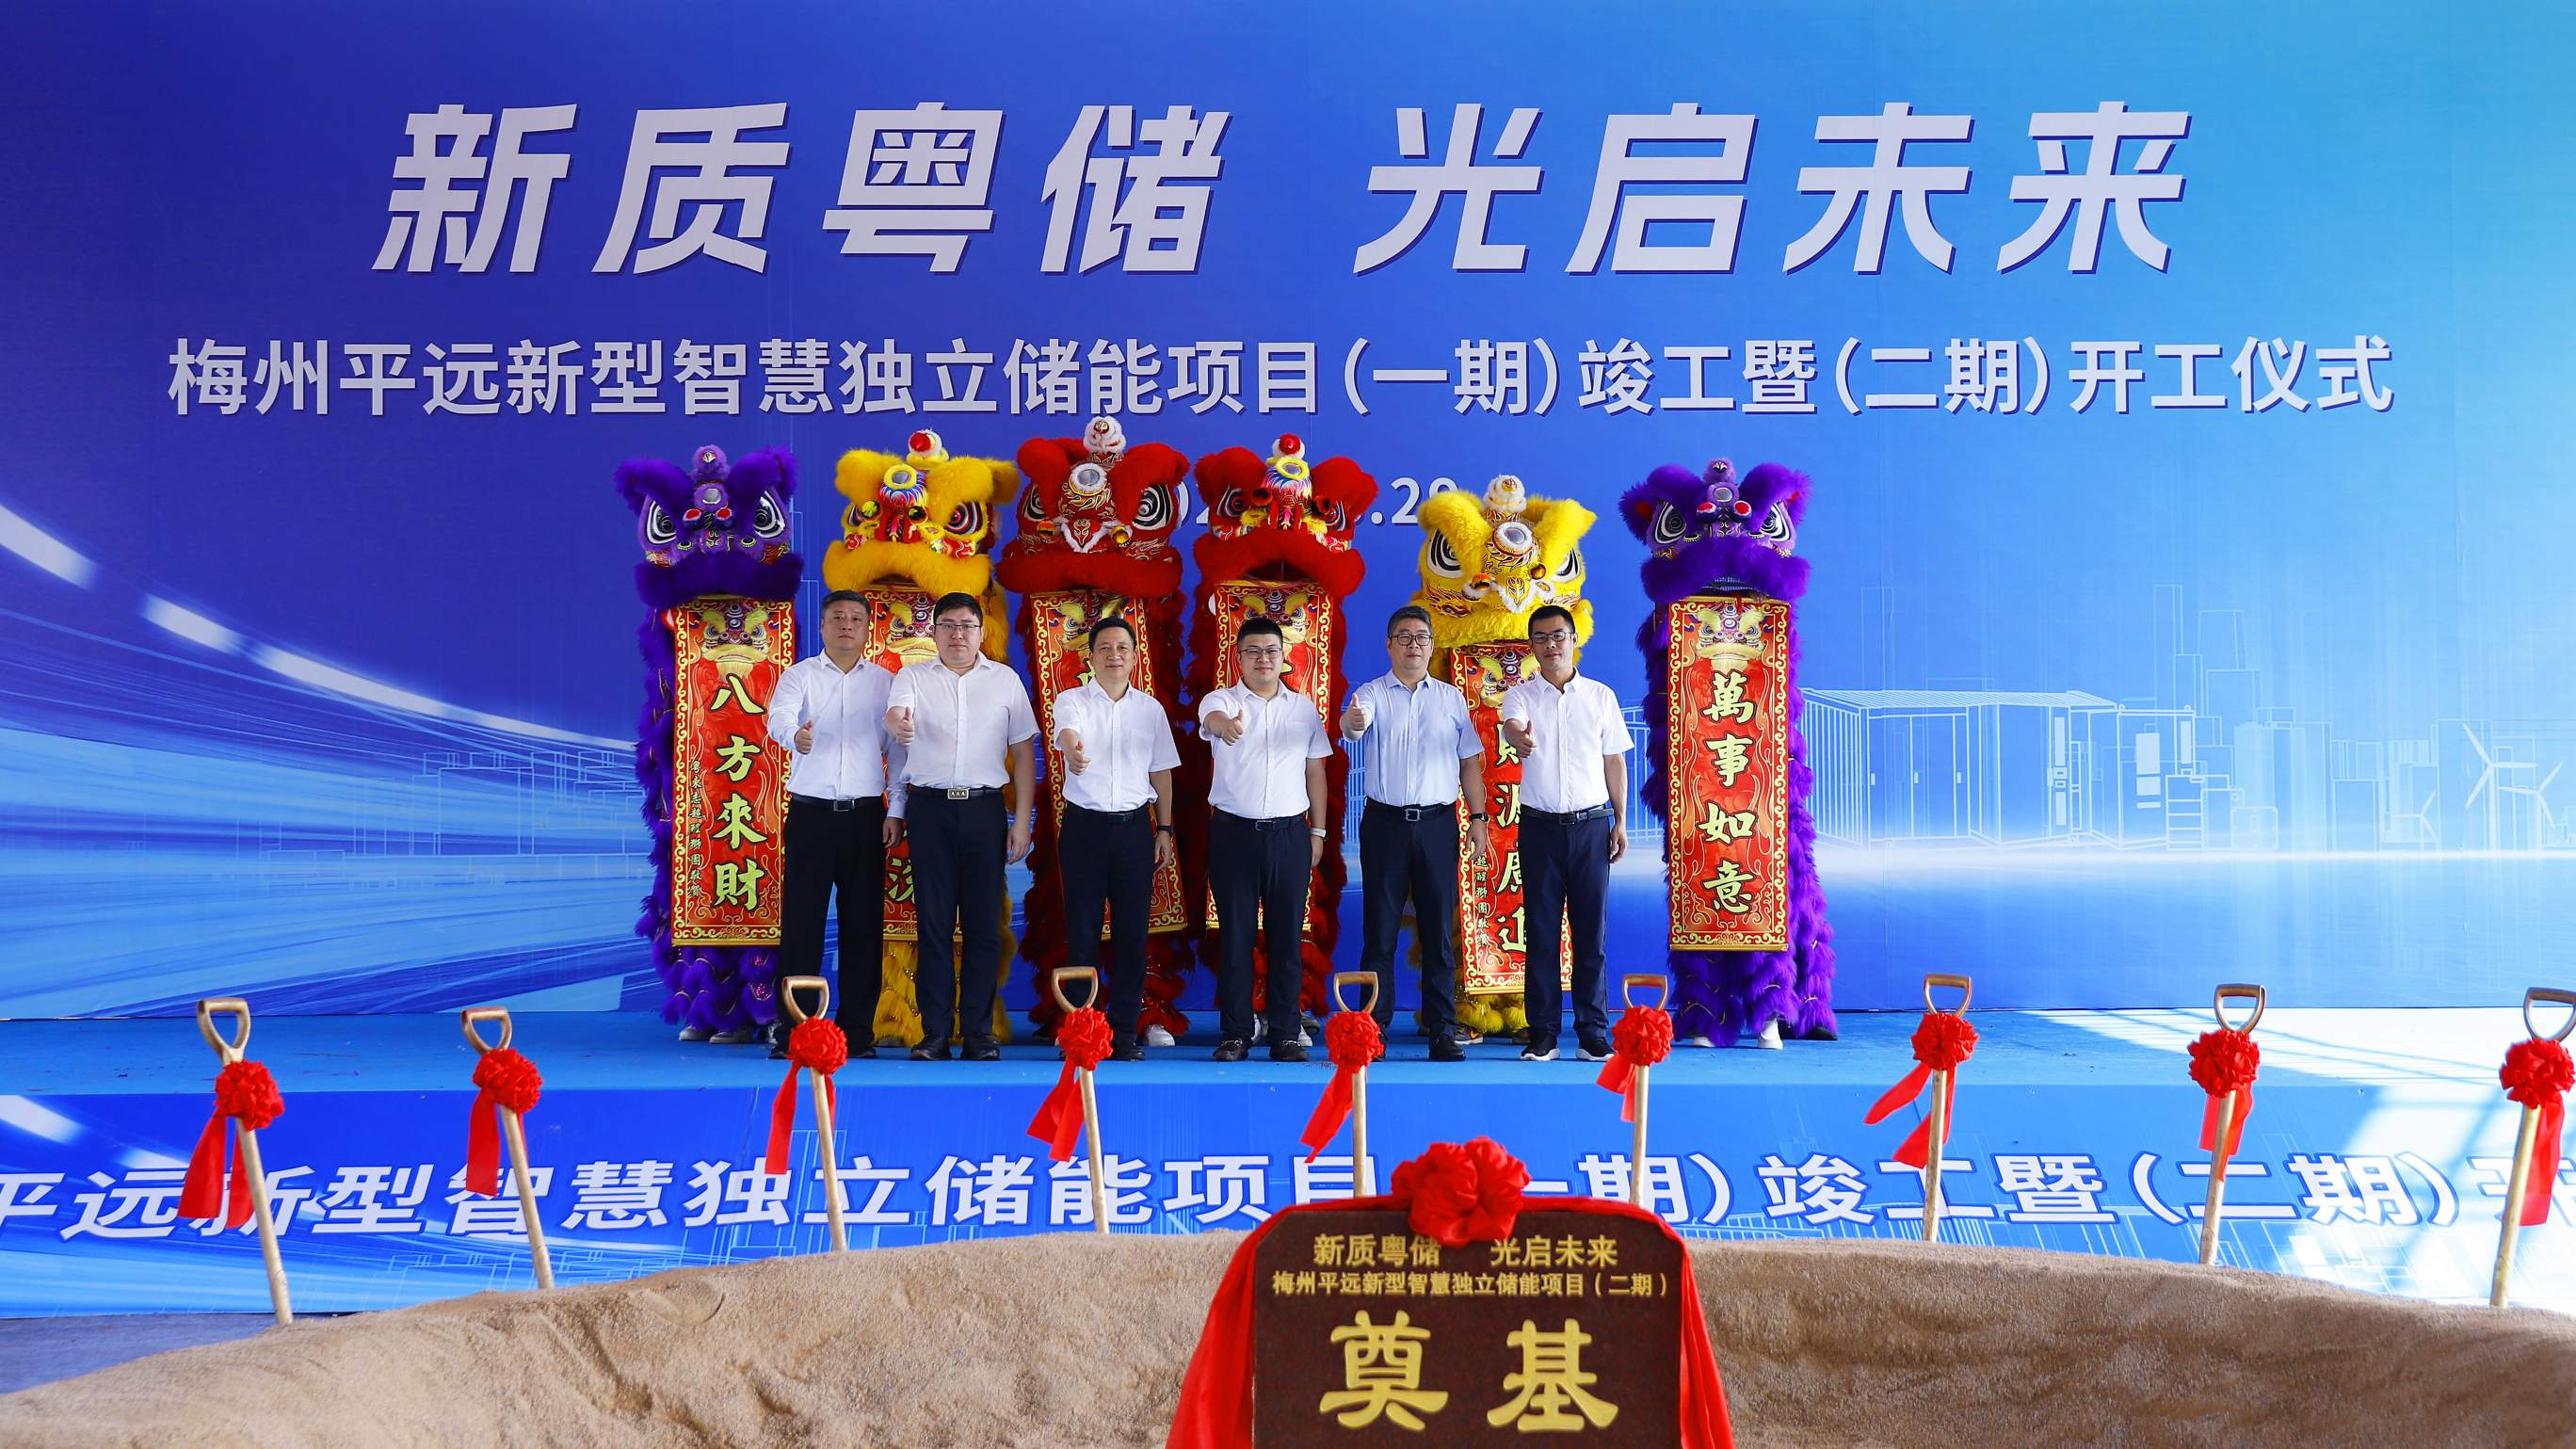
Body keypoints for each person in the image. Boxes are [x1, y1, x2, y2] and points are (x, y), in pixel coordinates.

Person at [885, 592, 1036, 1061]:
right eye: (948, 625)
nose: (958, 635)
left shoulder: (1005, 681)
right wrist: (898, 724)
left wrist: (1022, 821)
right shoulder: (912, 677)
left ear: (981, 632)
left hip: (984, 812)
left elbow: (1024, 754)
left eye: (967, 626)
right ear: (933, 632)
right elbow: (895, 716)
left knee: (983, 926)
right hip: (929, 812)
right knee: (932, 925)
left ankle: (977, 1033)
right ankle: (934, 1034)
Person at [1340, 604, 1489, 1062]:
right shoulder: (1371, 693)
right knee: (1379, 931)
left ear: (1431, 645)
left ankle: (1442, 1030)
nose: (1413, 645)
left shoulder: (1450, 698)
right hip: (1384, 824)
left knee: (1438, 930)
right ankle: (1373, 1030)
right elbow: (1352, 726)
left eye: (1421, 637)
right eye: (1403, 637)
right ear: (1389, 645)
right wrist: (1352, 722)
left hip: (1437, 825)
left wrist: (1478, 818)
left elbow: (1469, 762)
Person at [765, 589, 907, 1058]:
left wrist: (896, 809)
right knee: (802, 925)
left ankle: (858, 1033)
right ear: (823, 625)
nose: (847, 625)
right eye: (838, 618)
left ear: (868, 628)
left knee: (863, 927)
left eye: (856, 619)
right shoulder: (800, 676)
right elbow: (779, 718)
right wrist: (795, 737)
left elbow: (897, 754)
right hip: (811, 815)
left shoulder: (886, 683)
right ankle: (795, 1031)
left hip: (866, 818)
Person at [1498, 604, 1631, 1063]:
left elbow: (1614, 761)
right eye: (1540, 638)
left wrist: (1620, 820)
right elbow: (1512, 728)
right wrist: (1519, 738)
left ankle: (1593, 1032)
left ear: (1574, 640)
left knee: (1591, 933)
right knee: (1541, 932)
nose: (1550, 645)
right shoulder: (1520, 696)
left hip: (1592, 826)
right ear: (1531, 646)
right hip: (1540, 828)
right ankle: (1544, 1034)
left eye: (1558, 636)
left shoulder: (1600, 696)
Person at [1197, 617, 1331, 1063]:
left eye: (1271, 650)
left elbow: (1315, 771)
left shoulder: (1303, 709)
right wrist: (1226, 727)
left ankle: (1286, 1033)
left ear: (1284, 657)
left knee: (1286, 939)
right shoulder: (1222, 700)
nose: (1263, 659)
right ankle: (1236, 1033)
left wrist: (1317, 831)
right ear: (1238, 657)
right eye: (1252, 651)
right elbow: (1212, 720)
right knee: (1236, 938)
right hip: (1233, 834)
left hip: (1290, 835)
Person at [1052, 615, 1181, 1061]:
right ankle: (1080, 1030)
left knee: (1132, 934)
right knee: (1082, 933)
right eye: (1104, 648)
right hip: (1084, 829)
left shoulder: (1150, 710)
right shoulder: (1071, 700)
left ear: (1135, 657)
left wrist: (1164, 829)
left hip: (1134, 831)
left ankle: (1124, 1032)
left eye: (1122, 648)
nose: (1113, 655)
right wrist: (1073, 750)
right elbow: (1067, 733)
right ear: (1090, 657)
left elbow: (1161, 772)